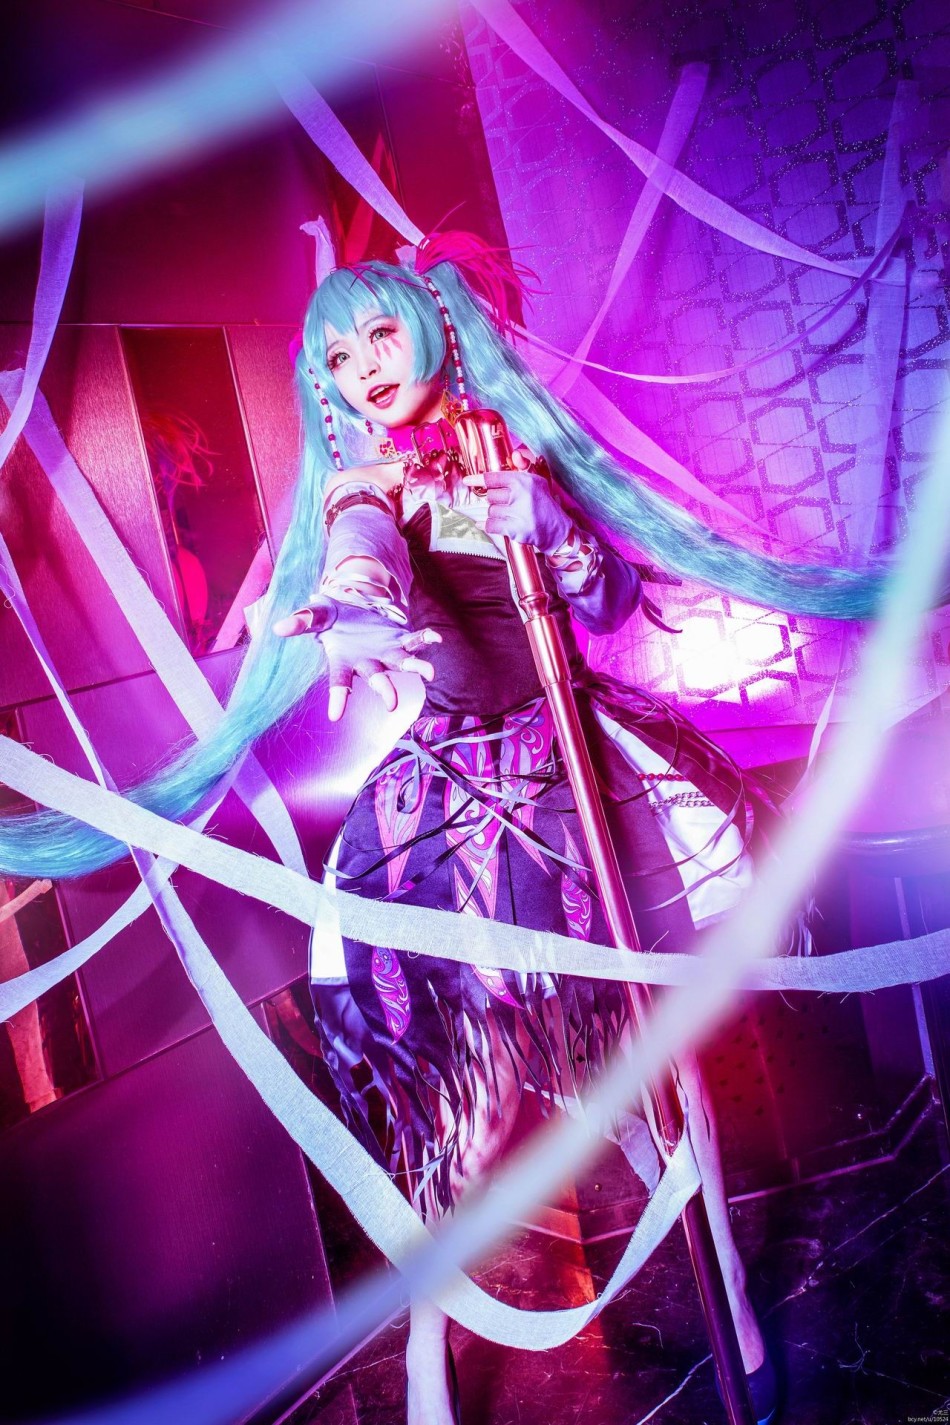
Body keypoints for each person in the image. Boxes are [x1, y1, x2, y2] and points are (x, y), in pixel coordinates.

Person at [0, 230, 889, 1424]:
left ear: (428, 325)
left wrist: (552, 527)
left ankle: (726, 1289)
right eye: (336, 355)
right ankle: (429, 1361)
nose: (364, 367)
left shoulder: (519, 446)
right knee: (464, 1110)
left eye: (379, 335)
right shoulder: (364, 483)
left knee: (659, 1065)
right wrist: (352, 606)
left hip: (583, 770)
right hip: (454, 806)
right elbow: (360, 553)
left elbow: (611, 602)